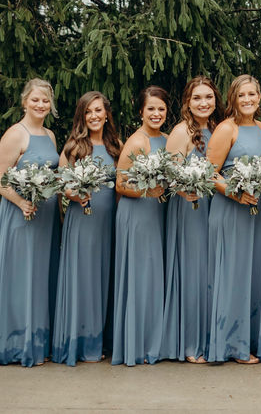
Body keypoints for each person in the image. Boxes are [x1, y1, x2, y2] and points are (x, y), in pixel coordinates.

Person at [0, 79, 61, 366]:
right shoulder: (16, 134)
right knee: (22, 277)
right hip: (22, 216)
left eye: (45, 101)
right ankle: (16, 345)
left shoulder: (50, 136)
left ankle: (39, 342)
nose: (41, 105)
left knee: (41, 277)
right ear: (24, 101)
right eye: (35, 100)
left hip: (47, 219)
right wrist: (21, 202)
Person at [207, 74, 261, 363]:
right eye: (241, 95)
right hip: (231, 210)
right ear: (233, 99)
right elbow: (210, 174)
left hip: (256, 212)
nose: (248, 100)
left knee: (250, 275)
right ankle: (231, 346)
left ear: (259, 97)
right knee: (233, 276)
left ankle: (249, 340)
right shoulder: (227, 129)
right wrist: (235, 194)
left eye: (252, 94)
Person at [52, 91, 123, 365]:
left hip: (109, 223)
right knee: (84, 279)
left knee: (105, 279)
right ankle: (81, 343)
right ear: (82, 116)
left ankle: (103, 340)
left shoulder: (117, 145)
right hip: (82, 221)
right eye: (88, 112)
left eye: (98, 111)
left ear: (107, 114)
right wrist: (72, 193)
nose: (94, 116)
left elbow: (121, 185)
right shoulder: (74, 147)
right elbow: (61, 184)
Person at [162, 76, 223, 363]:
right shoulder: (180, 131)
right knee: (194, 272)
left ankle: (212, 338)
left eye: (208, 97)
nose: (204, 103)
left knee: (211, 272)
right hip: (190, 208)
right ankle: (191, 343)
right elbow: (169, 174)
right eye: (197, 98)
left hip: (215, 207)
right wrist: (184, 190)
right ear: (187, 101)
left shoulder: (217, 129)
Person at [111, 86, 171, 366]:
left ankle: (153, 341)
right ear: (141, 111)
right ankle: (136, 344)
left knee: (154, 276)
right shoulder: (137, 141)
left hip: (157, 215)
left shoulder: (168, 140)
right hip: (136, 214)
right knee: (140, 275)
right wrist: (148, 192)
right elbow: (120, 185)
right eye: (151, 109)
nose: (156, 113)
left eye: (161, 108)